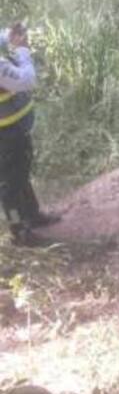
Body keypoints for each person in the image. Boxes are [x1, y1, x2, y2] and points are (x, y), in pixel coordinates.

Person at [0, 22, 59, 246]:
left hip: (12, 128)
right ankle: (19, 231)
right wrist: (23, 50)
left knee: (19, 173)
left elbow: (2, 37)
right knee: (11, 184)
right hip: (7, 132)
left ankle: (32, 216)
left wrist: (10, 35)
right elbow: (26, 80)